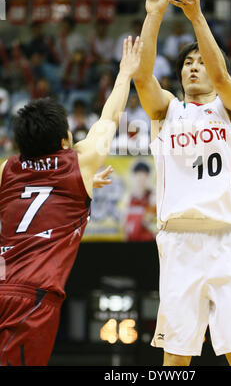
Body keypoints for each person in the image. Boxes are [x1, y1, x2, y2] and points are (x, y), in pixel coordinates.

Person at [133, 0, 231, 367]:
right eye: (188, 63)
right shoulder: (167, 111)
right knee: (175, 360)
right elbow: (142, 78)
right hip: (179, 243)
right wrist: (154, 13)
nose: (193, 66)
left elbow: (223, 80)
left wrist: (196, 16)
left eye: (201, 62)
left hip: (228, 242)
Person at [0, 35, 143, 366]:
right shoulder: (81, 161)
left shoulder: (6, 168)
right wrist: (125, 73)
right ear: (65, 140)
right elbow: (109, 118)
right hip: (32, 297)